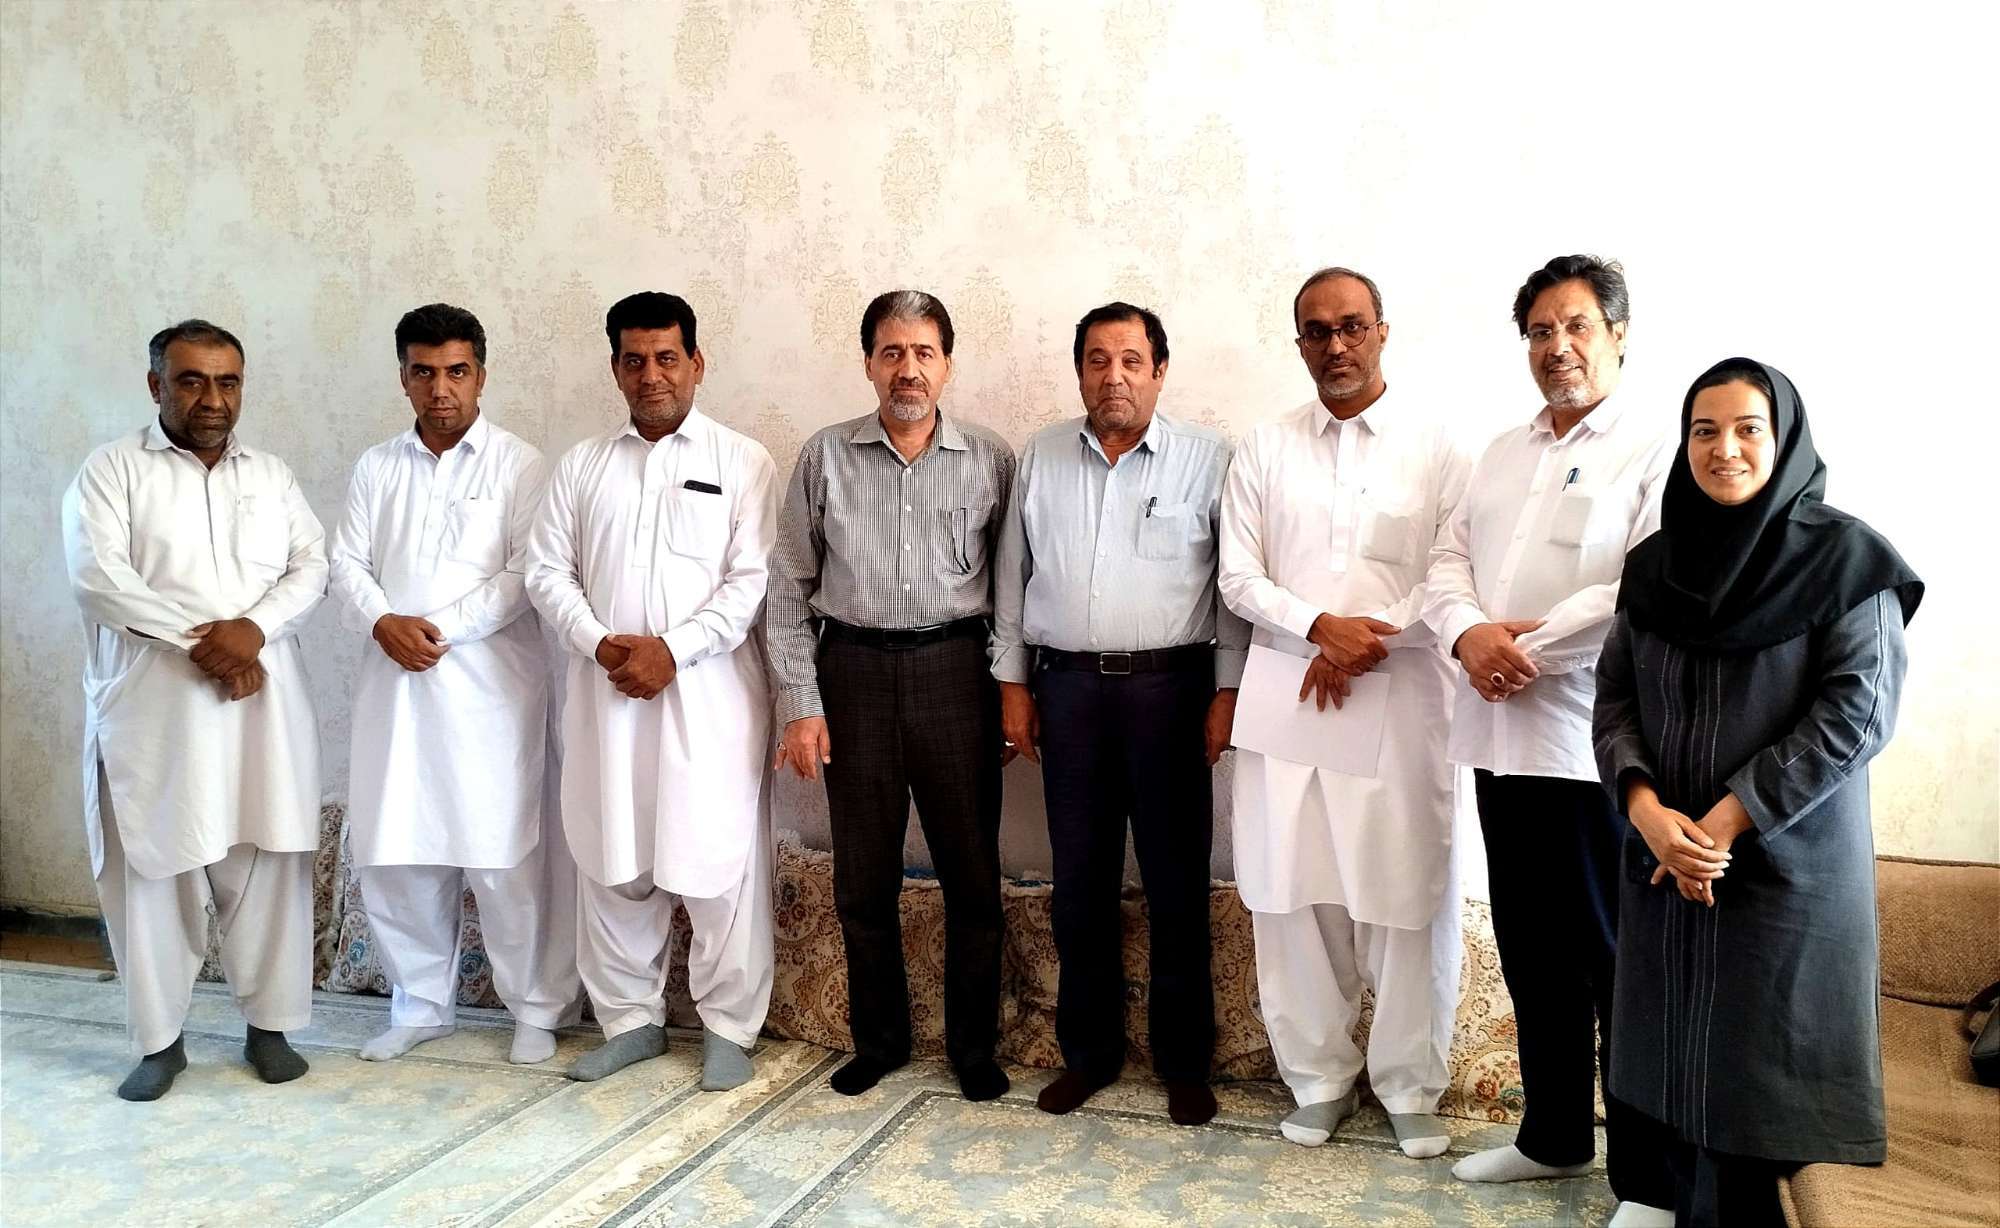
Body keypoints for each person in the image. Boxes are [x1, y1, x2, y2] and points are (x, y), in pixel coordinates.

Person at [1594, 358, 1921, 1227]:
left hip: (1784, 863)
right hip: (1667, 855)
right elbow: (1615, 697)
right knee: (1667, 1030)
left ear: (1784, 441)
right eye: (1704, 431)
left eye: (1748, 429)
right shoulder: (1655, 564)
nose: (1725, 449)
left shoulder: (1848, 561)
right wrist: (1647, 812)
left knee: (1758, 1056)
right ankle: (1658, 1197)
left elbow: (1857, 713)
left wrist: (1727, 821)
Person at [1422, 255, 1677, 1219]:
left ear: (1618, 335)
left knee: (1614, 961)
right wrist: (1466, 635)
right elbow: (1447, 560)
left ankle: (1649, 1181)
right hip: (1499, 739)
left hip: (1594, 746)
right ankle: (1554, 1137)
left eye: (1576, 327)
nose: (1556, 347)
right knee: (1531, 950)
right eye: (1539, 331)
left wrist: (1522, 648)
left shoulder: (1655, 448)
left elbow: (1642, 586)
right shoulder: (1502, 452)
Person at [1219, 267, 1470, 1158]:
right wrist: (1320, 628)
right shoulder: (1265, 447)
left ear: (1382, 332)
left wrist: (1368, 640)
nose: (1336, 345)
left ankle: (1409, 1085)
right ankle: (1318, 1079)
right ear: (1299, 345)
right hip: (1291, 698)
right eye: (1318, 331)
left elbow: (1451, 573)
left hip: (1401, 701)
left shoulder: (1438, 449)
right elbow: (1238, 575)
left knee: (1404, 894)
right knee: (1292, 893)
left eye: (1352, 326)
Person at [992, 302, 1246, 1125]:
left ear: (1159, 371)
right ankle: (1090, 1056)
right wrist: (1013, 685)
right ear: (1080, 372)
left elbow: (1232, 589)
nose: (1114, 377)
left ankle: (1184, 1063)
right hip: (1066, 691)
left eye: (1132, 360)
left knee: (1176, 883)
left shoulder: (1209, 459)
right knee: (1080, 883)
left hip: (1172, 693)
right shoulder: (1041, 456)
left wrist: (1227, 692)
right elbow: (1010, 579)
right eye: (1098, 360)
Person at [61, 319, 327, 1100]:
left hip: (260, 712)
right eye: (192, 380)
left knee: (267, 863)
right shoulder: (111, 471)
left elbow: (311, 565)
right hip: (156, 712)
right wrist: (210, 645)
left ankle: (270, 1029)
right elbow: (99, 579)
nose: (213, 398)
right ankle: (160, 1043)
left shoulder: (270, 475)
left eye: (228, 381)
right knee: (154, 871)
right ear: (156, 386)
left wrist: (255, 631)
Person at [766, 290, 1016, 1101]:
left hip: (957, 676)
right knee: (863, 881)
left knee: (972, 878)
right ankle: (879, 1042)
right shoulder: (825, 457)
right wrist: (802, 704)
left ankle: (973, 1051)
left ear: (947, 364)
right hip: (855, 678)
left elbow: (1014, 591)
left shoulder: (990, 460)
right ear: (869, 362)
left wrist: (1012, 692)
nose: (909, 369)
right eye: (892, 352)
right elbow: (787, 590)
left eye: (924, 352)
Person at [526, 292, 778, 1090]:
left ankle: (730, 1028)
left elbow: (750, 583)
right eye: (634, 360)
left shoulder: (743, 462)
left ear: (696, 363)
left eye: (667, 357)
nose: (652, 375)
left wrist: (674, 650)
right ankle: (629, 1022)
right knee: (612, 856)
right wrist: (601, 643)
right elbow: (545, 572)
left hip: (709, 699)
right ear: (615, 369)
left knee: (718, 861)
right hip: (607, 695)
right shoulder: (582, 465)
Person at [329, 303, 581, 1066]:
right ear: (404, 378)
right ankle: (420, 1005)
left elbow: (526, 574)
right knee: (399, 855)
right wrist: (383, 622)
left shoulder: (520, 464)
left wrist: (434, 629)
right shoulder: (377, 466)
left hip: (489, 697)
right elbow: (347, 563)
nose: (441, 388)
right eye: (425, 372)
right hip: (396, 693)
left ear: (481, 374)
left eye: (457, 371)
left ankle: (536, 1009)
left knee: (505, 858)